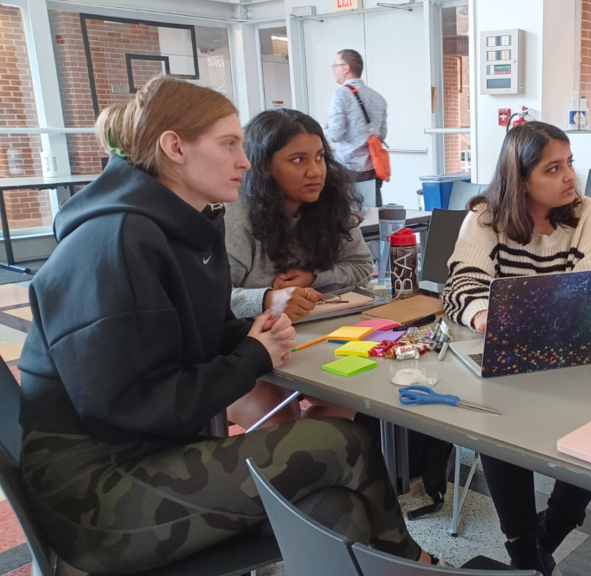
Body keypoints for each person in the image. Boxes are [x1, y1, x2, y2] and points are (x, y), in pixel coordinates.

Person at [16, 76, 434, 575]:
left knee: (336, 510)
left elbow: (190, 337)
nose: (244, 160)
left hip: (145, 457)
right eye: (229, 144)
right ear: (175, 147)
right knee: (345, 444)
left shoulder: (178, 232)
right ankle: (415, 563)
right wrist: (252, 356)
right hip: (99, 497)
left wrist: (246, 335)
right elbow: (135, 407)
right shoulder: (114, 243)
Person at [442, 121, 591, 575]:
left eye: (570, 164)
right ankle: (525, 549)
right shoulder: (485, 217)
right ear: (521, 178)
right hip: (508, 358)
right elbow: (462, 285)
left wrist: (515, 311)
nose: (570, 178)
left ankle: (549, 533)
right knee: (493, 419)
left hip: (575, 359)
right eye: (553, 168)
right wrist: (484, 314)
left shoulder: (589, 215)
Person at [225, 108, 373, 429]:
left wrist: (315, 277)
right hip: (244, 350)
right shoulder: (237, 216)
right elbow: (212, 299)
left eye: (319, 157)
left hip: (314, 342)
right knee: (281, 420)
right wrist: (267, 299)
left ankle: (319, 472)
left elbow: (362, 265)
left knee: (352, 398)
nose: (315, 171)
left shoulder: (331, 204)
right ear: (264, 167)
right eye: (298, 160)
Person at [326, 49, 387, 206]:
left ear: (346, 68)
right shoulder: (378, 98)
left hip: (348, 169)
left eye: (336, 65)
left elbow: (335, 134)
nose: (334, 70)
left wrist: (322, 130)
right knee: (373, 216)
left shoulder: (341, 95)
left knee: (349, 219)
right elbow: (382, 134)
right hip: (373, 168)